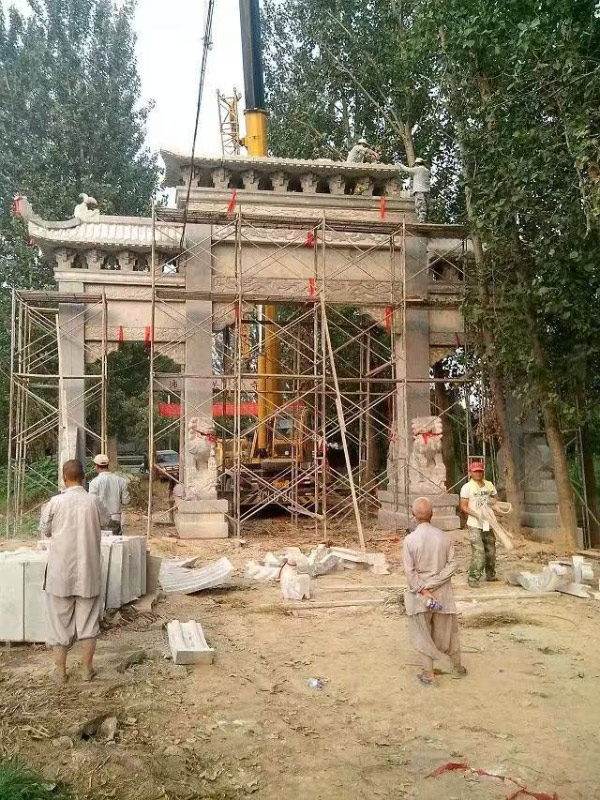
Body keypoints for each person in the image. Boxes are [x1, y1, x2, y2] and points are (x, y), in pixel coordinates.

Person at [39, 459, 110, 684]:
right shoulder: (93, 501)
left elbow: (44, 530)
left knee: (60, 624)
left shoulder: (55, 502)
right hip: (88, 573)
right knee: (89, 624)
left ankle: (60, 672)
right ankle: (87, 671)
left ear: (64, 478)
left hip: (60, 573)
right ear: (83, 478)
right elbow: (106, 521)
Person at [402, 496, 466, 686]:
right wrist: (435, 583)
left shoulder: (410, 540)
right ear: (432, 514)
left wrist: (423, 588)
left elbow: (409, 572)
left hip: (420, 597)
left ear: (413, 515)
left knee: (423, 634)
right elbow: (452, 565)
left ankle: (429, 675)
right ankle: (456, 667)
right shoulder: (444, 538)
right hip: (443, 594)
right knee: (449, 633)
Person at [460, 461, 498, 588]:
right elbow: (463, 506)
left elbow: (495, 498)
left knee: (491, 550)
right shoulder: (467, 487)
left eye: (480, 471)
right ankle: (473, 577)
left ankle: (490, 574)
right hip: (474, 524)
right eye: (475, 471)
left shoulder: (489, 485)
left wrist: (492, 503)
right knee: (479, 551)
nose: (478, 473)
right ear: (470, 472)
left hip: (488, 522)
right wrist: (476, 514)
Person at [89, 453, 130, 535]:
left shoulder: (94, 482)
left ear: (96, 466)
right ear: (108, 465)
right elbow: (126, 501)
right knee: (115, 541)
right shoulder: (122, 481)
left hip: (100, 519)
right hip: (116, 518)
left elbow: (91, 502)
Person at [395, 157, 430, 222]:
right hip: (426, 191)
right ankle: (424, 220)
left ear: (417, 164)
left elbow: (406, 169)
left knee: (420, 205)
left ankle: (421, 221)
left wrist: (399, 164)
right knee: (425, 206)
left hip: (419, 190)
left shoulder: (418, 169)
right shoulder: (427, 171)